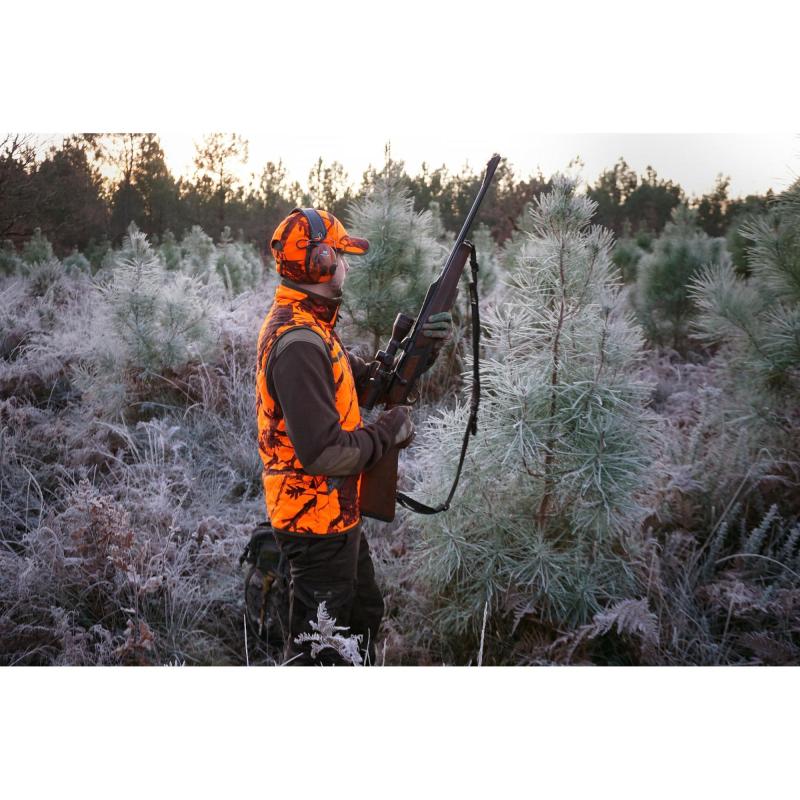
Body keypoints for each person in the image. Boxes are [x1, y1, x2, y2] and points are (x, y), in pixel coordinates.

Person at [255, 207, 451, 665]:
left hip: (334, 512)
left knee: (362, 614)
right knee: (319, 650)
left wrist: (423, 351)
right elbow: (323, 452)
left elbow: (365, 387)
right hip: (313, 523)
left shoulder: (312, 326)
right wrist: (386, 433)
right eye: (339, 255)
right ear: (320, 263)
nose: (346, 264)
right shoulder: (299, 342)